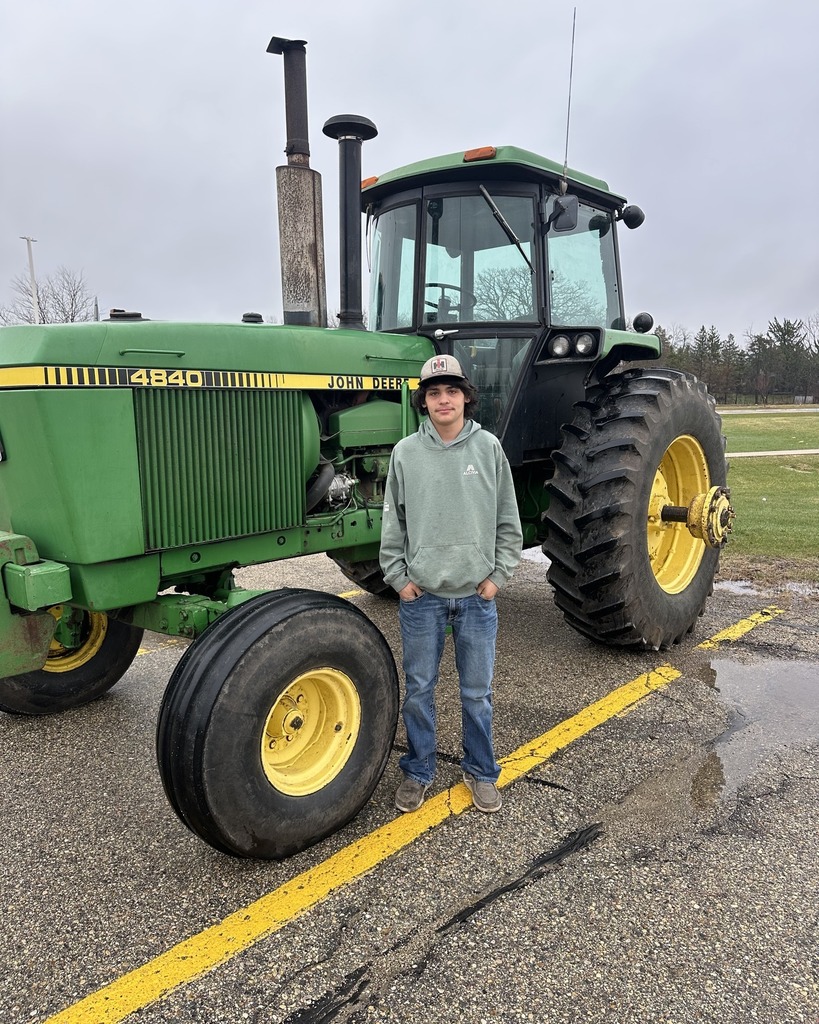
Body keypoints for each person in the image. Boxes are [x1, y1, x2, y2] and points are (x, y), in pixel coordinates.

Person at [379, 354, 523, 814]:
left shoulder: (489, 449)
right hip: (422, 599)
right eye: (435, 393)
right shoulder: (405, 453)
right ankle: (419, 770)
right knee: (419, 690)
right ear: (423, 401)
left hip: (476, 599)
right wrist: (399, 578)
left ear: (465, 397)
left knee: (476, 693)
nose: (444, 400)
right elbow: (392, 523)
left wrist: (497, 576)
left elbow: (507, 519)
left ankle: (480, 770)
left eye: (452, 391)